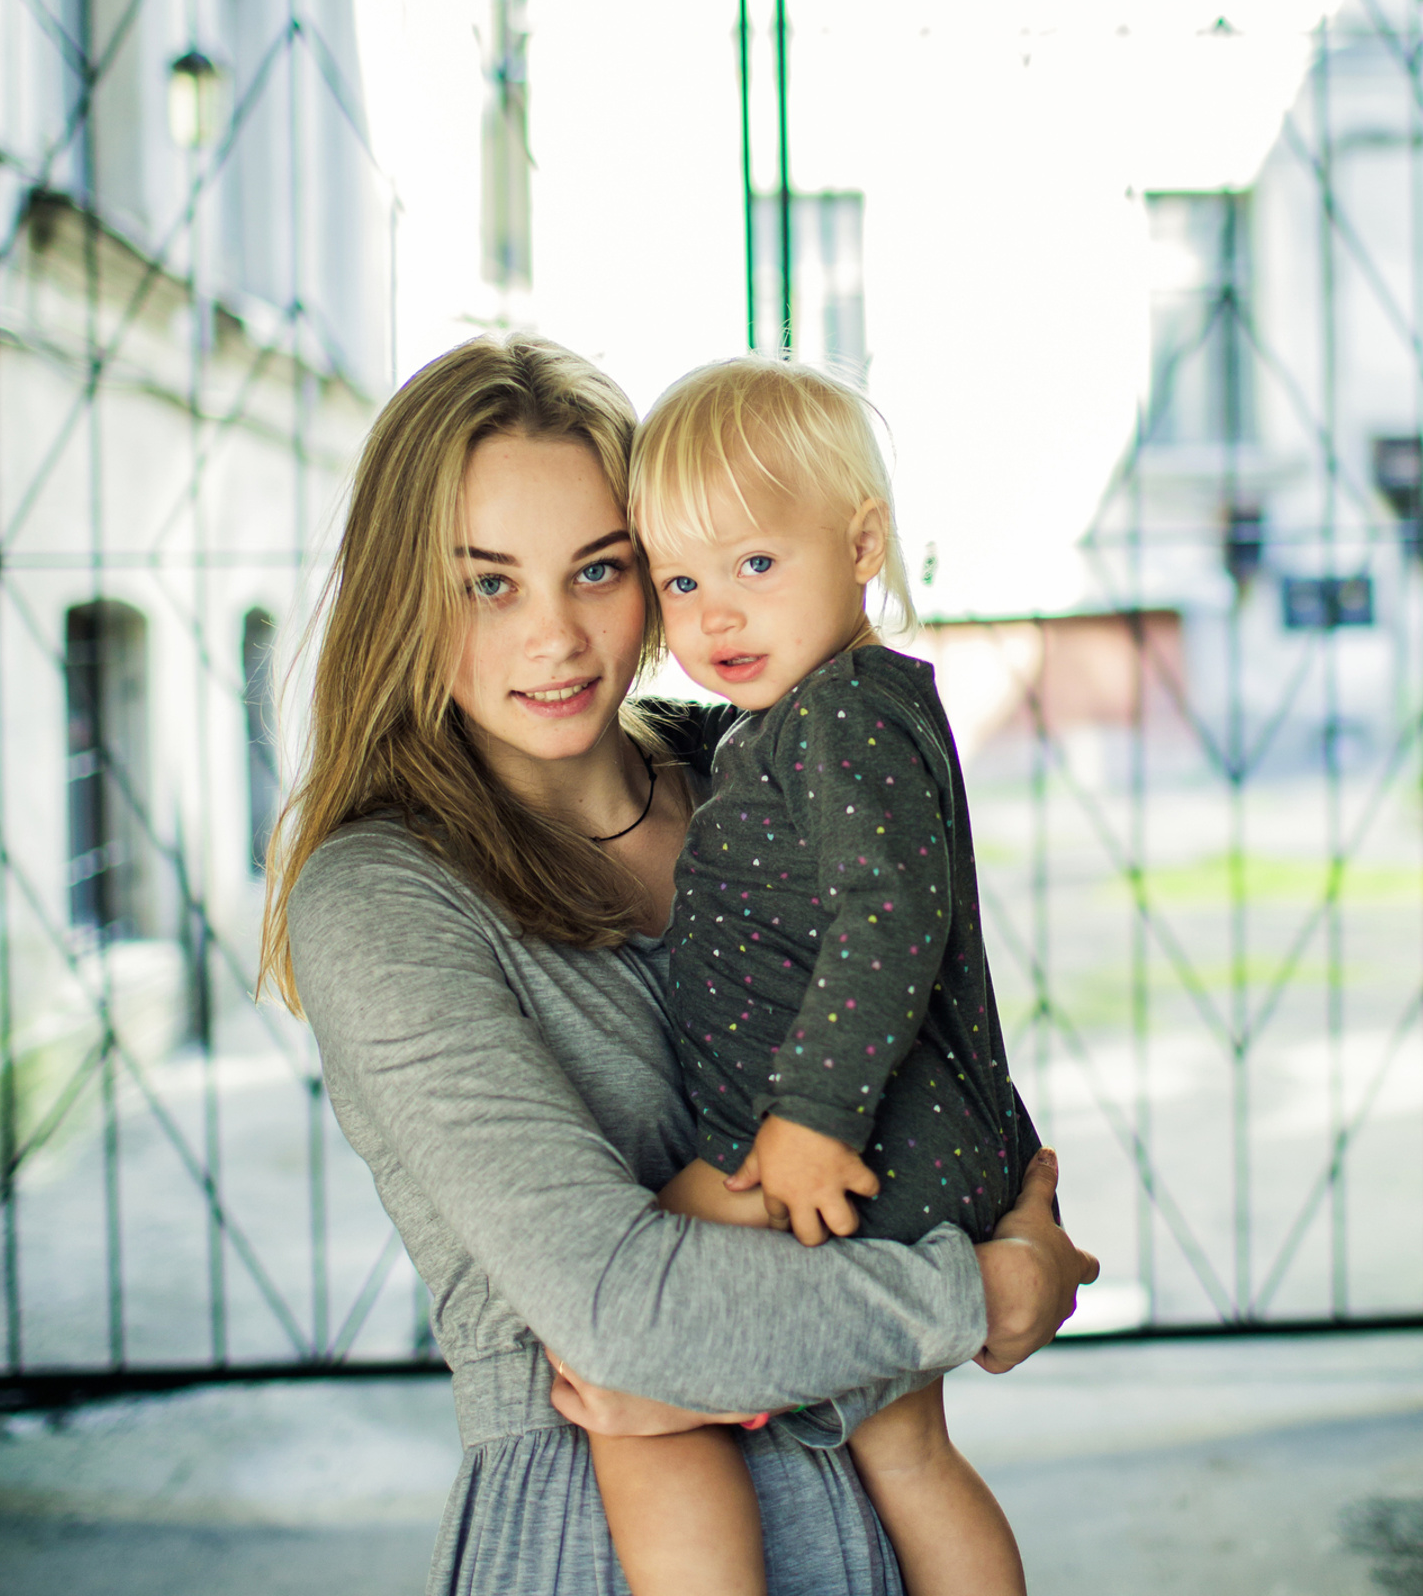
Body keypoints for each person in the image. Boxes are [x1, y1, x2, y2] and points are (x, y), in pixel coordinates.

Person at [257, 333, 1097, 1596]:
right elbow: (618, 1311)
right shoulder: (386, 898)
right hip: (601, 1527)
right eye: (488, 584)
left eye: (598, 571)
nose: (557, 639)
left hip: (867, 1517)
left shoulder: (753, 770)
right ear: (402, 592)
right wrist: (982, 1294)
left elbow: (914, 1013)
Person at [579, 356, 1037, 1596]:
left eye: (755, 565)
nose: (714, 614)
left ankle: (690, 1406)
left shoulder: (843, 717)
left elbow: (893, 916)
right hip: (856, 1124)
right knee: (908, 1455)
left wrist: (813, 1116)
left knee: (634, 1298)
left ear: (863, 544)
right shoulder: (798, 718)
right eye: (680, 580)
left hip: (857, 1133)